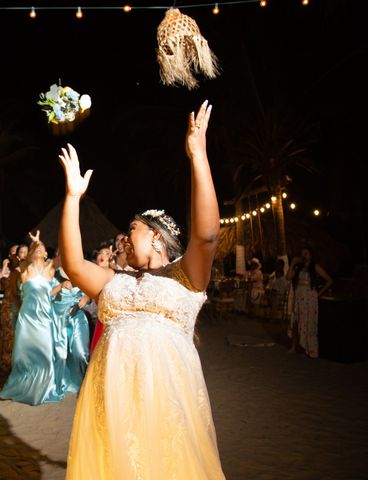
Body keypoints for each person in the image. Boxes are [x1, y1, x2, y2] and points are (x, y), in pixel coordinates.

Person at [58, 101, 225, 478]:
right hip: (111, 392)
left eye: (131, 229)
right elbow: (71, 264)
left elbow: (208, 234)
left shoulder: (185, 276)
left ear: (155, 236)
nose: (122, 238)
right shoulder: (114, 282)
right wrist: (72, 198)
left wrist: (197, 155)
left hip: (165, 392)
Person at [0, 240, 65, 406]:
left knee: (45, 353)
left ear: (46, 254)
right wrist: (35, 242)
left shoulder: (50, 268)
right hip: (27, 317)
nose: (39, 249)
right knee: (24, 354)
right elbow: (20, 260)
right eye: (35, 248)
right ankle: (23, 386)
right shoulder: (24, 269)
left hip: (44, 318)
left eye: (42, 247)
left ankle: (45, 388)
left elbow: (64, 256)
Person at [52, 251, 90, 394]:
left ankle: (84, 384)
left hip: (77, 318)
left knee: (81, 353)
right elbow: (44, 295)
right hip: (58, 319)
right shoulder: (53, 274)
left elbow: (92, 290)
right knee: (60, 355)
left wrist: (86, 297)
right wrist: (60, 286)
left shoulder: (81, 273)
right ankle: (62, 383)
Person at [287, 247, 333, 358]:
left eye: (306, 253)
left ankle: (307, 347)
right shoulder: (298, 267)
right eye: (302, 253)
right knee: (295, 321)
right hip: (298, 296)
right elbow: (288, 277)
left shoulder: (315, 267)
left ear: (310, 255)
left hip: (309, 298)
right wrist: (292, 264)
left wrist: (318, 293)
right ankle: (294, 346)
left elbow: (329, 280)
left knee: (308, 322)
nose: (304, 255)